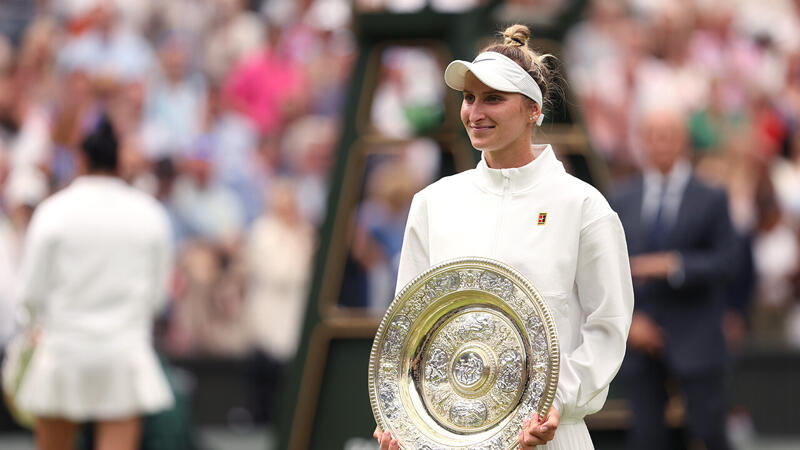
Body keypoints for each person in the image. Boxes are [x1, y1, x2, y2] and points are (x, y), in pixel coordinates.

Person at [375, 24, 634, 450]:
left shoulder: (584, 207)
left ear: (533, 109)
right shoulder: (433, 203)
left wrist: (552, 404)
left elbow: (607, 325)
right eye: (469, 98)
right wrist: (404, 421)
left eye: (493, 98)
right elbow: (410, 331)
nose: (475, 112)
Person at [13, 116, 174, 450]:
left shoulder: (53, 212)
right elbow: (158, 297)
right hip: (122, 354)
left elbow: (30, 294)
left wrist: (35, 325)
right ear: (117, 162)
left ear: (81, 160)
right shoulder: (150, 214)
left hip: (63, 352)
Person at [609, 107, 736, 450]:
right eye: (652, 135)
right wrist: (629, 321)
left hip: (696, 333)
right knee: (646, 436)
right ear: (641, 142)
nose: (660, 144)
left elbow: (728, 262)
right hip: (640, 335)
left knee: (708, 431)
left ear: (683, 141)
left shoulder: (711, 196)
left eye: (668, 135)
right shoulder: (621, 197)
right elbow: (606, 269)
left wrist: (675, 265)